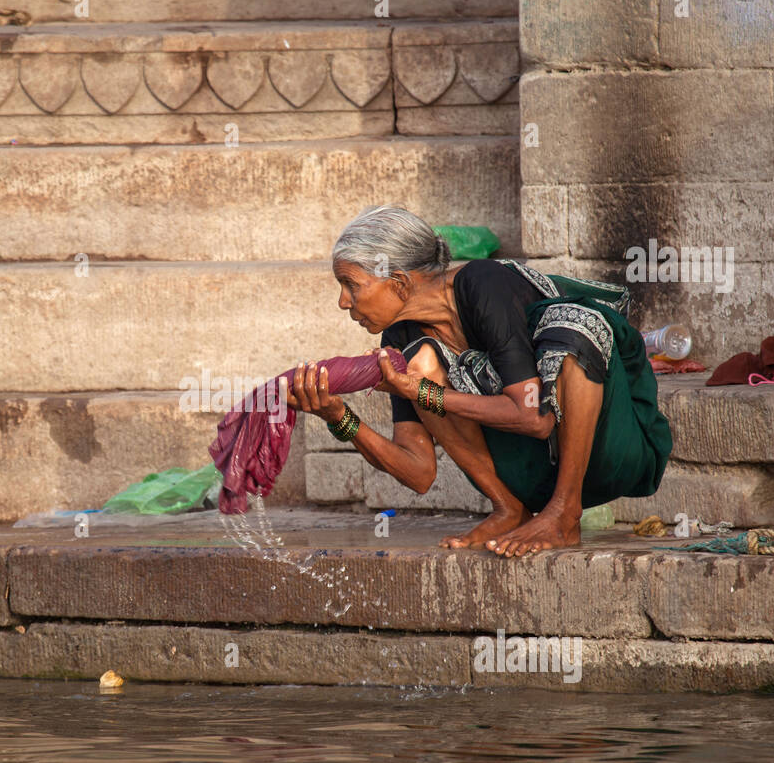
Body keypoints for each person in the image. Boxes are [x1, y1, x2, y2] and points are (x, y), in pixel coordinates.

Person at [281, 205, 672, 556]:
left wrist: (422, 392)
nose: (343, 302)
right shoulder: (402, 339)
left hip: (617, 449)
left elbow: (534, 417)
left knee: (576, 324)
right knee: (420, 360)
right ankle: (509, 508)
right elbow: (418, 473)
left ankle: (563, 512)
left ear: (398, 283)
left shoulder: (481, 283)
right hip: (533, 474)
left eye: (351, 284)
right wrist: (338, 417)